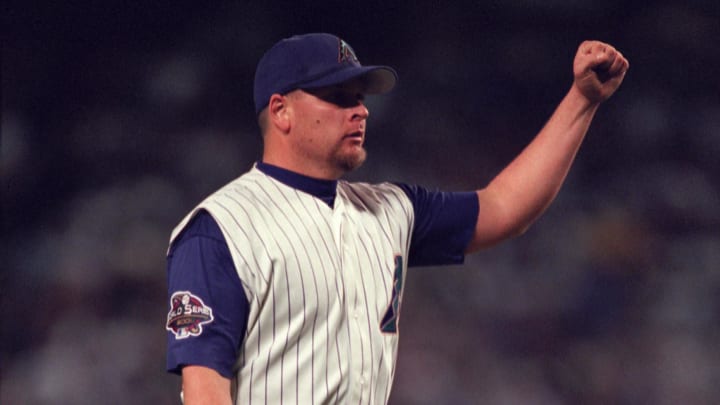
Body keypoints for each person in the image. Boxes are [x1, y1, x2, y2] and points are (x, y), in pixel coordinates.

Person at [165, 32, 628, 404]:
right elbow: (205, 389)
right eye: (338, 96)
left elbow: (505, 208)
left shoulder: (390, 209)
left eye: (361, 97)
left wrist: (581, 101)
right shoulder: (221, 228)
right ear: (281, 111)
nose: (360, 110)